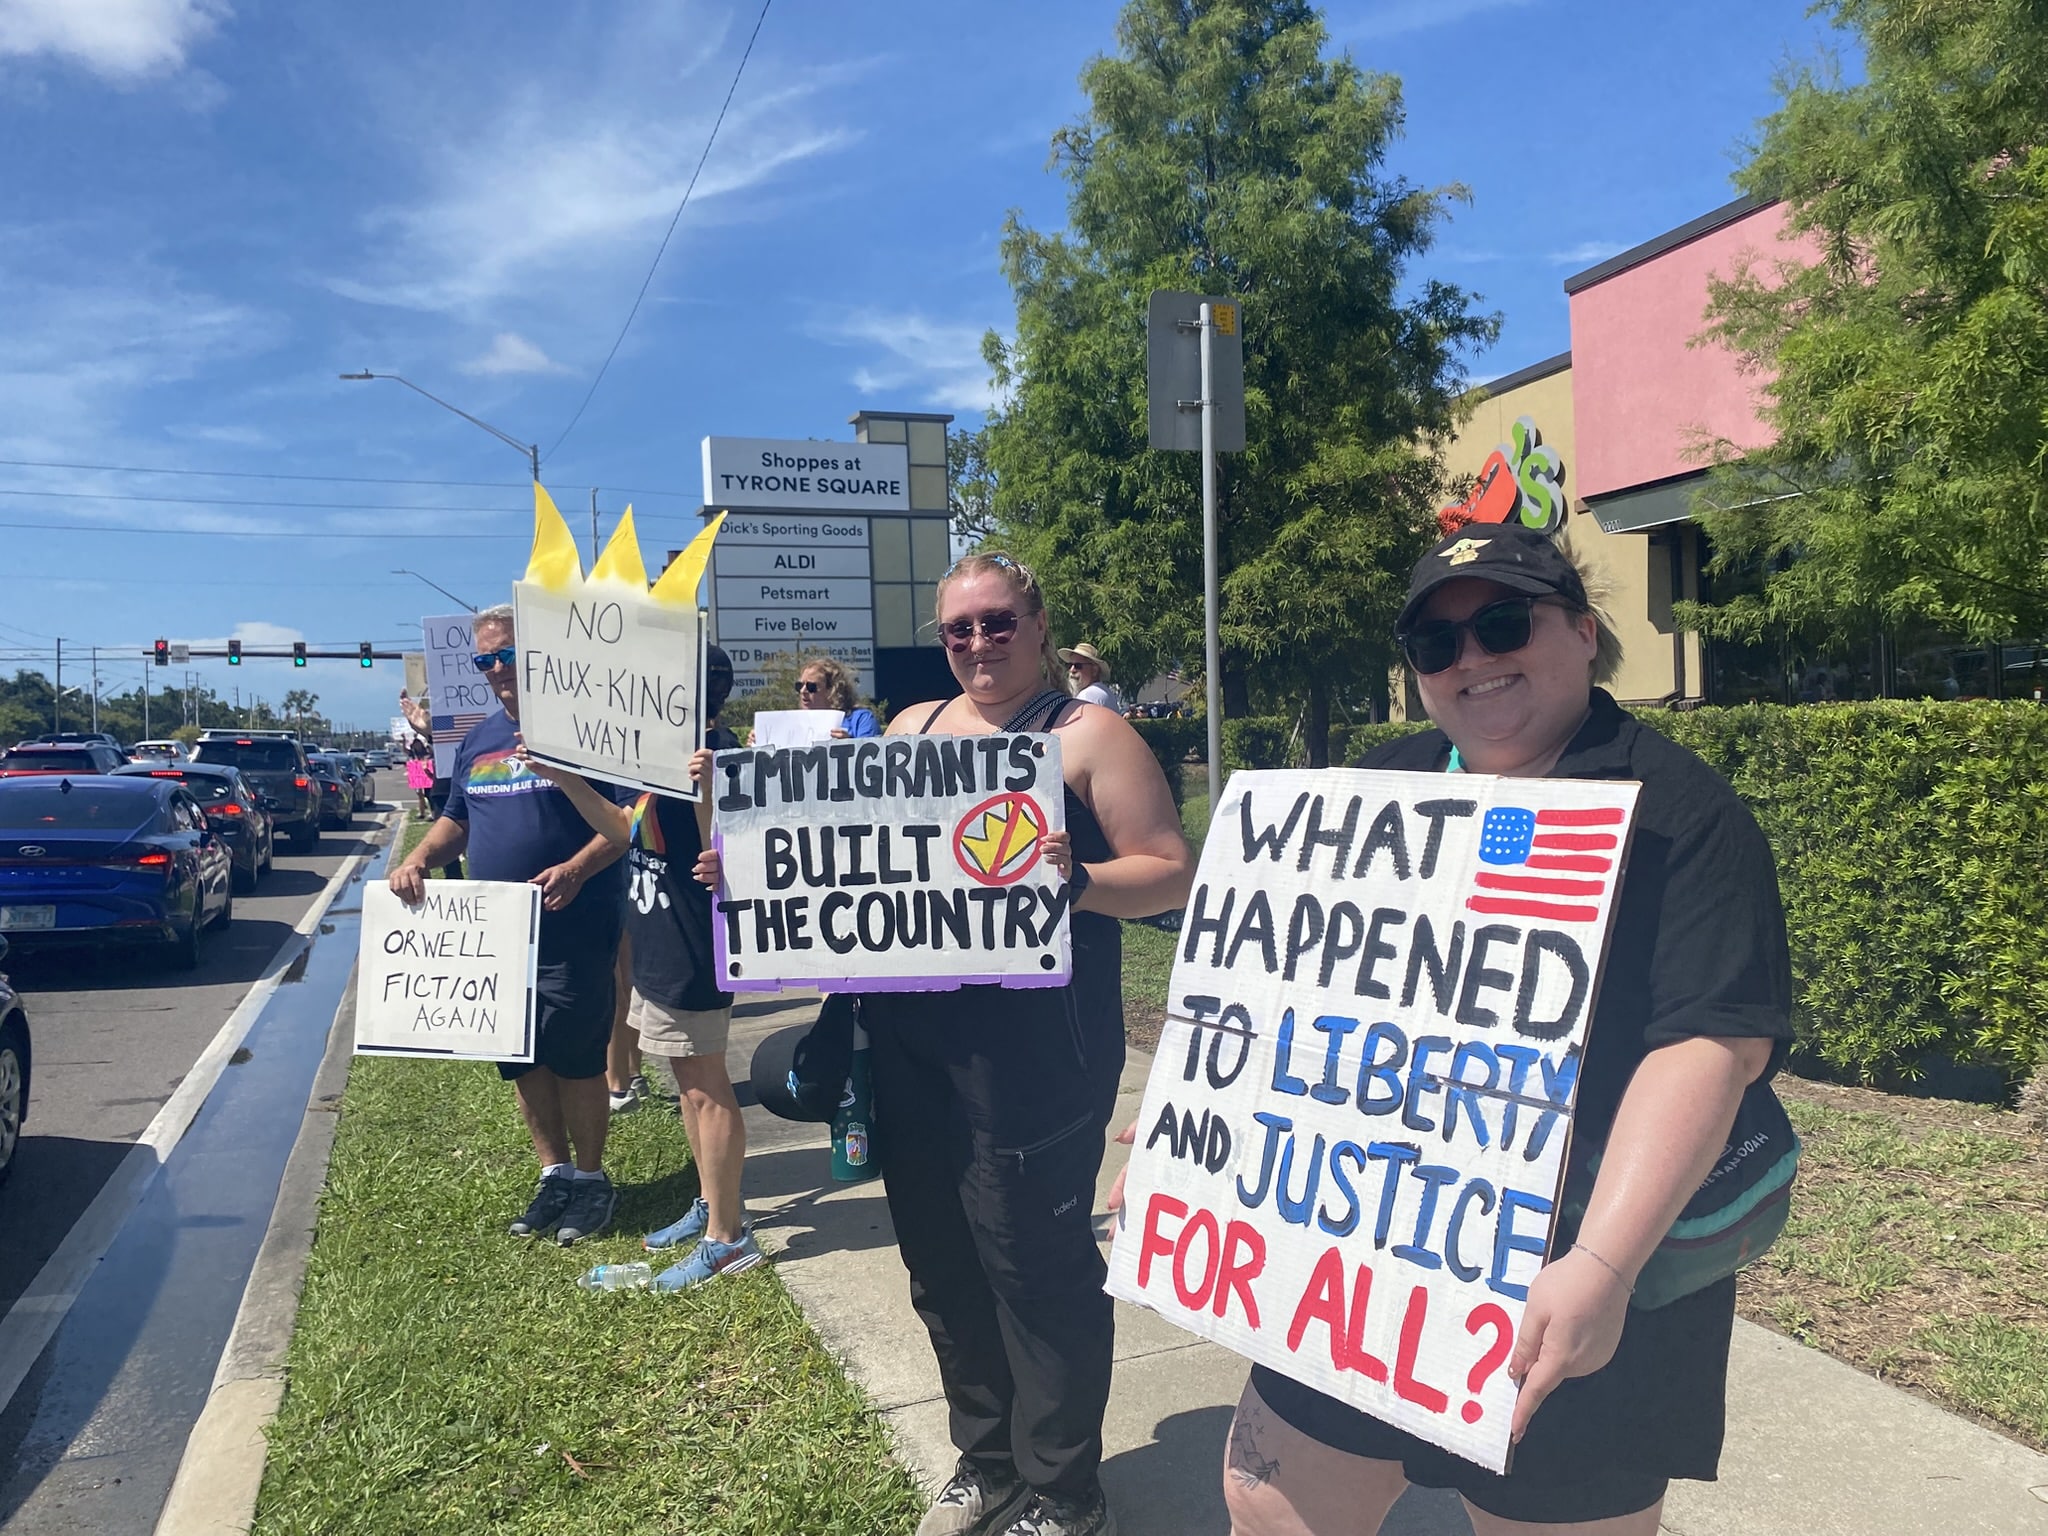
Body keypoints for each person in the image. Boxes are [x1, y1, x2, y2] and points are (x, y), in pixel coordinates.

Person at [1209, 524, 1793, 1536]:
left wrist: (1600, 1268)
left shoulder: (1679, 813)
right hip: (1358, 1248)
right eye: (1436, 646)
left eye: (1501, 623)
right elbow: (1283, 984)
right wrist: (1207, 1119)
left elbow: (1709, 1045)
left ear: (1580, 631)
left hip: (1564, 1267)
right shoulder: (1378, 788)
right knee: (1265, 1502)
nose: (1470, 658)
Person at [709, 554, 1191, 1536]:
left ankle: (1064, 1494)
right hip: (911, 1050)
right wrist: (750, 865)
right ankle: (986, 1465)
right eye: (957, 629)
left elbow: (1170, 874)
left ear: (1039, 624)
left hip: (1036, 1058)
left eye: (997, 622)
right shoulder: (908, 731)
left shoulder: (1087, 736)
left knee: (1032, 1272)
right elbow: (839, 858)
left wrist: (1081, 883)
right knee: (938, 1266)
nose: (977, 642)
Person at [387, 604, 627, 1245]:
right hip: (490, 936)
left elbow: (626, 824)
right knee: (519, 1056)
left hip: (571, 923)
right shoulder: (479, 738)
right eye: (483, 659)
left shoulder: (589, 729)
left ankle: (592, 1178)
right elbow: (456, 820)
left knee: (576, 1057)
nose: (495, 669)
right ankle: (554, 1174)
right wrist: (417, 855)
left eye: (507, 655)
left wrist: (577, 868)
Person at [526, 645, 762, 1290]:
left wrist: (713, 796)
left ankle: (728, 1239)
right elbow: (628, 829)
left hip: (694, 943)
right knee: (687, 1083)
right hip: (657, 941)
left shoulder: (716, 753)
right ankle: (714, 1205)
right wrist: (566, 777)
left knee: (705, 1085)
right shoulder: (654, 754)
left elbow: (732, 846)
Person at [798, 655, 882, 737]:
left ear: (832, 690)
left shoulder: (861, 720)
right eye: (799, 686)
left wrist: (848, 745)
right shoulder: (796, 724)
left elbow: (870, 750)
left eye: (811, 687)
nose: (802, 691)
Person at [1057, 643, 1118, 710]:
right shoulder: (1104, 692)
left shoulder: (1088, 695)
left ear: (1094, 670)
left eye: (1078, 666)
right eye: (1069, 665)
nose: (1072, 670)